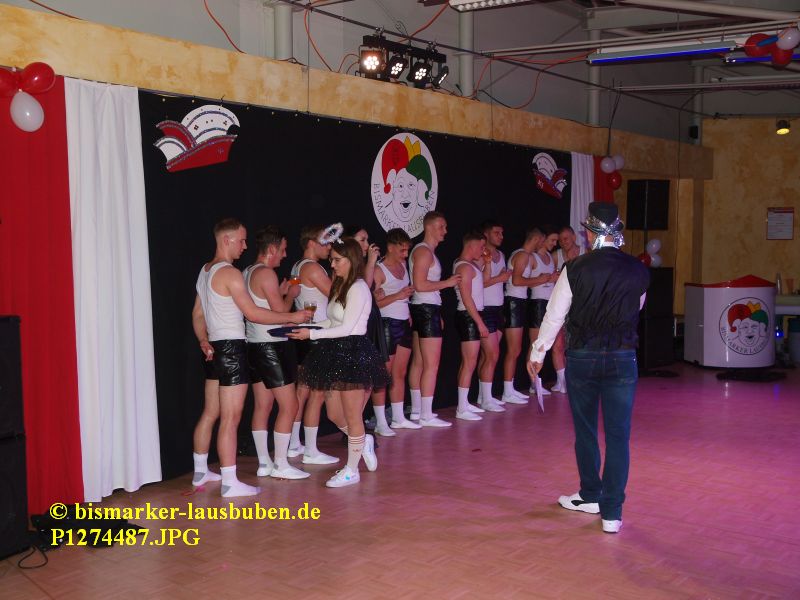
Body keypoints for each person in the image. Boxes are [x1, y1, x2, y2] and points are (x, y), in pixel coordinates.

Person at [528, 202, 649, 534]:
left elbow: (555, 314)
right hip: (622, 356)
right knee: (619, 435)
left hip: (583, 356)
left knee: (585, 430)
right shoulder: (638, 270)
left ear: (590, 232)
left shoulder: (575, 268)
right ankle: (612, 513)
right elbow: (636, 309)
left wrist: (538, 352)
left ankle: (591, 494)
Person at [191, 218, 311, 497]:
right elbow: (253, 314)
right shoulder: (229, 273)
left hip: (214, 347)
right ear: (226, 240)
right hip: (231, 348)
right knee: (231, 417)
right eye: (241, 240)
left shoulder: (205, 271)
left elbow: (197, 314)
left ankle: (200, 471)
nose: (245, 246)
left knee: (211, 413)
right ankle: (229, 482)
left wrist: (203, 340)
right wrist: (292, 316)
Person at [288, 238, 390, 488]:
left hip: (354, 353)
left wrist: (311, 335)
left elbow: (346, 328)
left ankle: (351, 470)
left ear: (351, 260)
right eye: (331, 259)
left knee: (353, 416)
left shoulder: (358, 288)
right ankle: (362, 441)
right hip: (336, 352)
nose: (332, 264)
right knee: (334, 414)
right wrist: (308, 327)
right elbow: (332, 321)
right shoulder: (340, 285)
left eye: (336, 260)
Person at [244, 225, 313, 480]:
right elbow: (282, 315)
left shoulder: (247, 271)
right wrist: (291, 296)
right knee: (290, 404)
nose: (284, 255)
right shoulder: (266, 273)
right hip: (270, 346)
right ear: (271, 249)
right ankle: (281, 464)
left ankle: (264, 463)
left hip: (254, 344)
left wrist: (282, 293)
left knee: (263, 406)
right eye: (282, 250)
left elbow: (267, 307)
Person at [289, 225, 339, 466]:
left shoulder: (297, 266)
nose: (329, 247)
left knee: (302, 392)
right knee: (317, 394)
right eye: (325, 242)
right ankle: (310, 449)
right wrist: (341, 272)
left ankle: (294, 444)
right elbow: (337, 294)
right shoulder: (312, 267)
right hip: (316, 335)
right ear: (311, 243)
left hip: (306, 335)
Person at [407, 211, 461, 427]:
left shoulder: (425, 251)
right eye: (441, 227)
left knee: (420, 362)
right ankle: (426, 414)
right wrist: (448, 283)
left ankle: (417, 411)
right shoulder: (424, 252)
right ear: (429, 227)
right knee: (431, 364)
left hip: (424, 308)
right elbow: (419, 285)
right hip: (426, 308)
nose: (445, 231)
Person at [371, 228, 421, 434]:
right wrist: (398, 295)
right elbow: (373, 305)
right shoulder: (379, 270)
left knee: (400, 373)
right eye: (402, 250)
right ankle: (381, 422)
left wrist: (406, 308)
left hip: (403, 323)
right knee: (383, 375)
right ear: (390, 247)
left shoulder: (402, 266)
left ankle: (398, 418)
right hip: (386, 324)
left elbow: (403, 296)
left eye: (407, 250)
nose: (405, 255)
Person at [452, 230, 492, 419]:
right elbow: (467, 298)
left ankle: (465, 403)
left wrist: (488, 263)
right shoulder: (464, 267)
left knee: (470, 361)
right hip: (468, 316)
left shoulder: (470, 265)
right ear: (472, 245)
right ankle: (461, 408)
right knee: (469, 362)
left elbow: (484, 282)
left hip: (472, 315)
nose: (484, 250)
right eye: (481, 246)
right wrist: (479, 323)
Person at [477, 220, 518, 407]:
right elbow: (478, 283)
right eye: (496, 233)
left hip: (498, 308)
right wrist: (499, 278)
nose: (501, 236)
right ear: (486, 234)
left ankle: (483, 396)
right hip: (484, 308)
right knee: (492, 354)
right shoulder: (480, 253)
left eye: (502, 233)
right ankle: (486, 399)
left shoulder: (501, 255)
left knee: (488, 356)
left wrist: (503, 277)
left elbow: (497, 280)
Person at [501, 228, 543, 404]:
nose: (542, 245)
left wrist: (542, 279)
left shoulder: (524, 255)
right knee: (514, 349)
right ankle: (507, 391)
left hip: (518, 302)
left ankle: (510, 388)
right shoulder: (523, 255)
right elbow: (517, 280)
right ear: (536, 239)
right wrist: (541, 279)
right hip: (514, 302)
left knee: (515, 349)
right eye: (542, 241)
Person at [551, 226, 586, 394]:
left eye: (566, 238)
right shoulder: (555, 256)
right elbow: (550, 280)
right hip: (562, 304)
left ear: (574, 237)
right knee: (558, 344)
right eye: (560, 240)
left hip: (582, 306)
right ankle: (562, 381)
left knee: (579, 344)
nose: (563, 242)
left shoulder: (586, 253)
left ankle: (580, 379)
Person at [528, 228, 559, 395]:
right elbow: (522, 281)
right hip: (537, 303)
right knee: (535, 343)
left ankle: (537, 382)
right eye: (552, 240)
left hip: (549, 303)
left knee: (546, 343)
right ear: (543, 239)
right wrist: (545, 278)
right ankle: (533, 383)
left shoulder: (550, 257)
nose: (555, 244)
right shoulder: (533, 257)